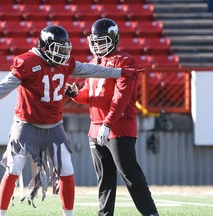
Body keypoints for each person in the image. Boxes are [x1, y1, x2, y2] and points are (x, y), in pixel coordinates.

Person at [0, 25, 141, 216]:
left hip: (54, 126)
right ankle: (1, 214)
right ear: (44, 46)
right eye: (57, 49)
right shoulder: (27, 62)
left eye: (64, 49)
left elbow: (90, 69)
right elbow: (4, 86)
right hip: (25, 125)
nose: (62, 54)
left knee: (67, 171)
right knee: (13, 170)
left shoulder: (65, 63)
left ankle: (68, 215)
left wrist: (119, 72)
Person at [65, 18, 159, 216]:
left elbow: (121, 97)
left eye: (102, 41)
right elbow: (89, 94)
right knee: (104, 178)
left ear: (113, 39)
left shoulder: (124, 61)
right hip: (95, 126)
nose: (97, 45)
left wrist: (107, 124)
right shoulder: (93, 62)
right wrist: (75, 94)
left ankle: (150, 213)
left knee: (130, 174)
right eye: (95, 41)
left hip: (118, 127)